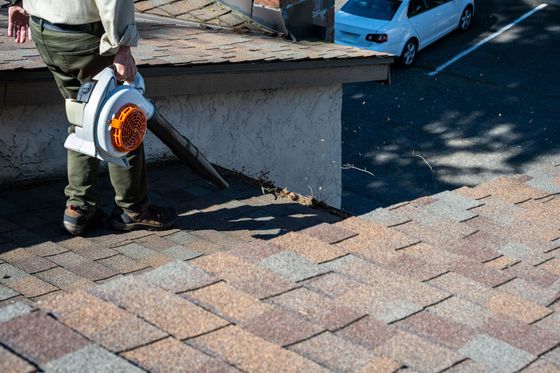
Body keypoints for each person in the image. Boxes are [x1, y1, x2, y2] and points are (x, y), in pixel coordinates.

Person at [5, 0, 177, 235]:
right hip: (84, 37)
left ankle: (79, 207)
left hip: (46, 30)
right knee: (122, 116)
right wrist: (123, 46)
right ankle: (134, 209)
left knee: (81, 114)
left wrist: (16, 2)